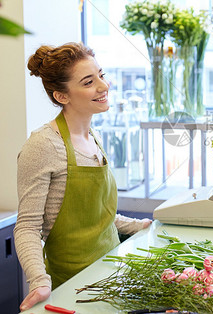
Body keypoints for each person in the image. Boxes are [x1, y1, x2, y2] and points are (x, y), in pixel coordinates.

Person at [14, 42, 152, 311]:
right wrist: (39, 281)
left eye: (101, 75)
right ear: (62, 96)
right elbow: (28, 226)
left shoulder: (94, 138)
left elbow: (98, 216)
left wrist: (140, 226)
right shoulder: (43, 145)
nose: (104, 86)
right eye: (89, 82)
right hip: (74, 286)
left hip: (113, 272)